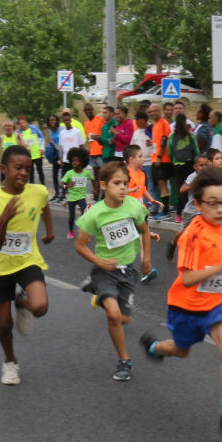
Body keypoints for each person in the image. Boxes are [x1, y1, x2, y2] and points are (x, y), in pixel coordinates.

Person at [136, 166, 222, 434]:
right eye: (213, 204)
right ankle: (155, 348)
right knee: (181, 350)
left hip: (219, 303)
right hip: (187, 305)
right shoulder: (192, 235)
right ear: (198, 204)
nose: (221, 210)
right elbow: (188, 279)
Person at [74, 160, 159, 382]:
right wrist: (100, 263)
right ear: (103, 185)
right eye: (117, 183)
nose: (123, 187)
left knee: (124, 319)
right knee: (113, 315)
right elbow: (80, 245)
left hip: (127, 271)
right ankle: (124, 360)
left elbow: (144, 230)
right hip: (105, 270)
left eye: (125, 183)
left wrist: (146, 259)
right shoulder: (95, 214)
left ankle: (96, 292)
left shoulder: (134, 206)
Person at [0, 145, 54, 385]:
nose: (23, 173)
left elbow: (44, 204)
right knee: (4, 324)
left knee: (40, 307)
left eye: (27, 169)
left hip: (27, 260)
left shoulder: (38, 191)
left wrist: (50, 230)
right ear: (4, 169)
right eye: (17, 168)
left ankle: (22, 301)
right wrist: (4, 220)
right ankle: (10, 361)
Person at [147, 103, 175, 219]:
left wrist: (158, 156)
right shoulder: (155, 125)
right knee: (159, 184)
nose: (153, 113)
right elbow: (158, 141)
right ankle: (164, 209)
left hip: (163, 159)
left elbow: (164, 139)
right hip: (156, 158)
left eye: (155, 111)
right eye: (151, 111)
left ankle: (166, 211)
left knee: (162, 184)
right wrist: (151, 144)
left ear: (160, 111)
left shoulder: (163, 123)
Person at [170, 113, 199, 222]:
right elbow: (196, 151)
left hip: (177, 166)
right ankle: (188, 211)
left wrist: (174, 160)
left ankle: (179, 214)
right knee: (189, 189)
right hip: (190, 165)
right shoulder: (191, 135)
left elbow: (170, 151)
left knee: (181, 190)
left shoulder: (172, 136)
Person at [62, 148, 92, 239]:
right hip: (71, 197)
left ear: (82, 162)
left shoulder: (86, 173)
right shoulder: (69, 173)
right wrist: (67, 186)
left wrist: (95, 189)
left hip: (81, 197)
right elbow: (61, 184)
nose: (74, 163)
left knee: (84, 212)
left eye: (76, 161)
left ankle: (81, 226)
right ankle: (71, 231)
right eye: (72, 161)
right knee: (72, 216)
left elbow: (94, 179)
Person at [83, 103, 104, 199]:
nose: (88, 112)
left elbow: (104, 134)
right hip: (92, 152)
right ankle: (96, 193)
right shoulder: (86, 124)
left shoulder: (100, 120)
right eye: (86, 111)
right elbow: (88, 138)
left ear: (92, 109)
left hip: (100, 151)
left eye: (89, 110)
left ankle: (103, 194)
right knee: (95, 174)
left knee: (102, 174)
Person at [17, 116, 46, 187]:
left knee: (40, 171)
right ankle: (32, 188)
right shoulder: (19, 133)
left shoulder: (34, 128)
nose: (22, 124)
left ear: (26, 122)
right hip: (28, 156)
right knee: (30, 173)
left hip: (38, 154)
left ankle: (43, 187)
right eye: (20, 123)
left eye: (23, 122)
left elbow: (41, 137)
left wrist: (42, 148)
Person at [44, 114, 63, 198]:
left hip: (62, 155)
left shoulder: (61, 129)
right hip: (56, 155)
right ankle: (57, 193)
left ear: (57, 121)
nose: (52, 121)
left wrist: (61, 156)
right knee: (54, 175)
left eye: (54, 120)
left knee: (64, 176)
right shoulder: (50, 130)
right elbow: (52, 141)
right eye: (50, 120)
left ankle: (64, 194)